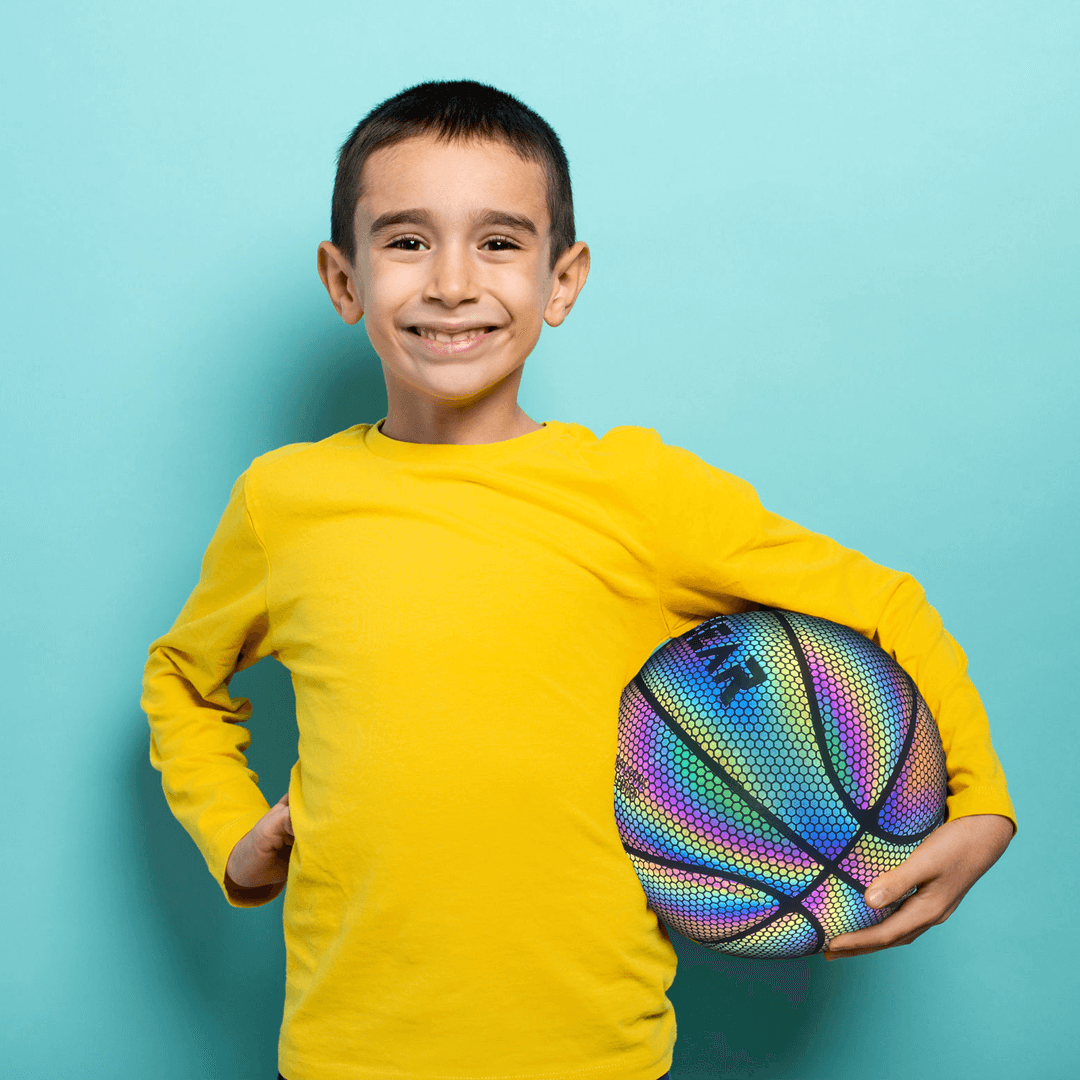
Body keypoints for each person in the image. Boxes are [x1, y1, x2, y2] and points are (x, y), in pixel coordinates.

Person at [141, 80, 1016, 1080]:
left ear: (562, 281)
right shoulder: (285, 501)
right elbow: (181, 681)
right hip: (347, 1051)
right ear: (345, 281)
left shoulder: (639, 493)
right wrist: (233, 836)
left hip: (597, 1052)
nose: (453, 283)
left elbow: (884, 605)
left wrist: (979, 803)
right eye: (408, 241)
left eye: (499, 242)